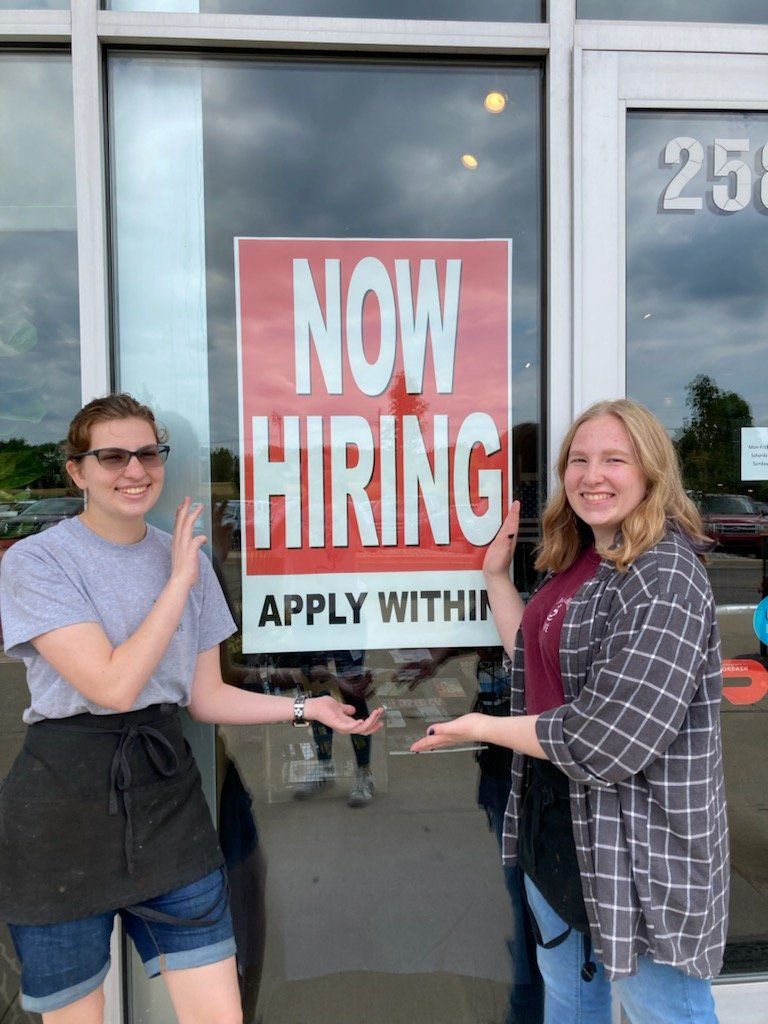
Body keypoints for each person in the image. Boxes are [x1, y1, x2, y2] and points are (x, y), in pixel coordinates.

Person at [0, 393, 383, 1024]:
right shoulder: (39, 560)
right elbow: (112, 686)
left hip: (164, 796)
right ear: (77, 471)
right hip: (61, 806)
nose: (134, 469)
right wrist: (176, 581)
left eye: (147, 453)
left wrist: (308, 708)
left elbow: (204, 697)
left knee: (217, 1009)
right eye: (112, 456)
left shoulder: (187, 560)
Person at [412, 399, 729, 1024]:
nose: (592, 476)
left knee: (663, 1010)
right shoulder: (585, 559)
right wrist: (498, 582)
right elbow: (538, 669)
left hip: (636, 843)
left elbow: (609, 740)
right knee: (570, 999)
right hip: (557, 822)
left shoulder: (665, 574)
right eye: (578, 460)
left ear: (651, 471)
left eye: (615, 459)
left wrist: (478, 727)